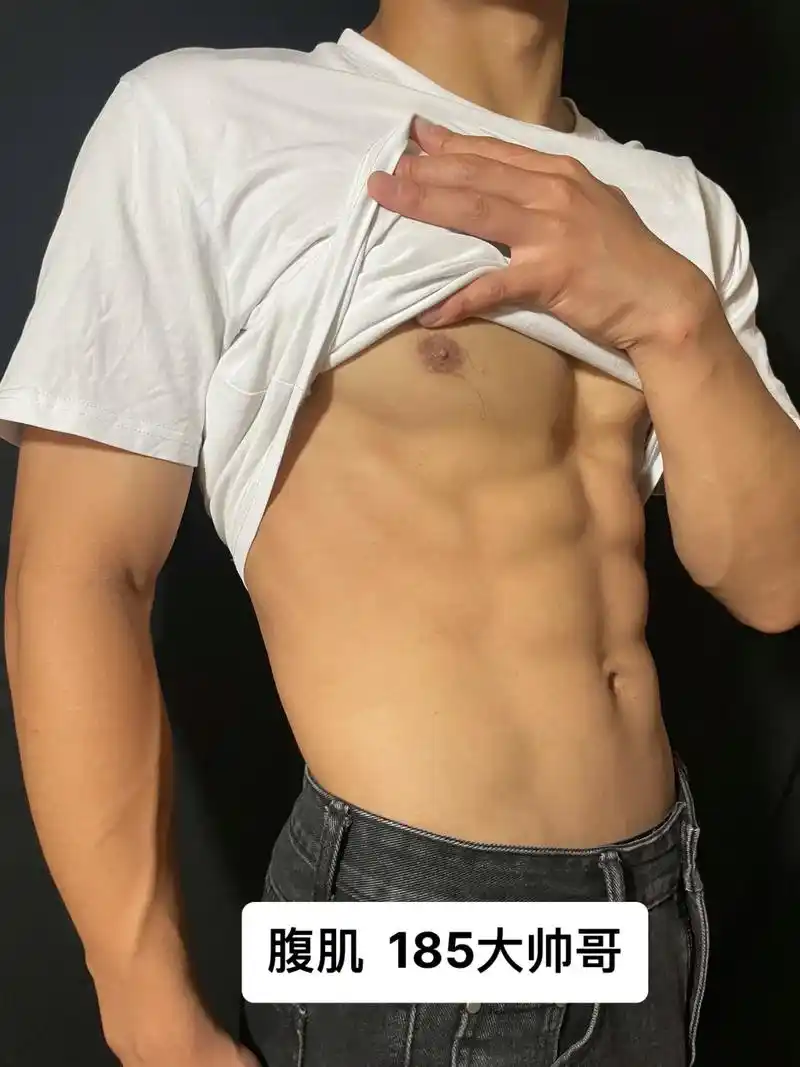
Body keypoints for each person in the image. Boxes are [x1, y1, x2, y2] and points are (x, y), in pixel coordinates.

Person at [3, 1, 800, 1065]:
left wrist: (674, 315)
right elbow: (83, 571)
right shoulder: (212, 120)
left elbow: (775, 583)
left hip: (658, 897)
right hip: (413, 912)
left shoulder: (681, 208)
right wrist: (145, 1005)